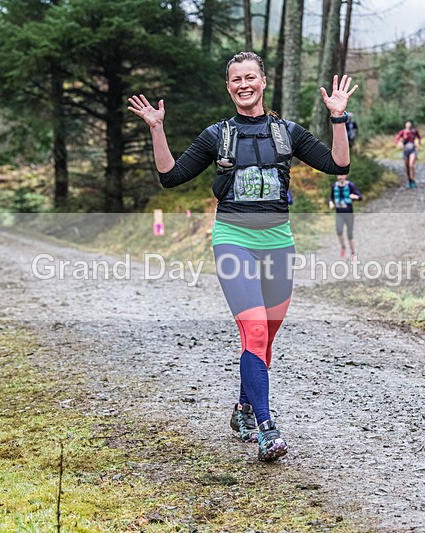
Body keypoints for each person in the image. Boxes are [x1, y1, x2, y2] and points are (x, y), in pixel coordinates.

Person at [128, 51, 357, 462]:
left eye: (250, 77)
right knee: (253, 332)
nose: (244, 84)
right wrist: (156, 129)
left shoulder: (287, 132)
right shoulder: (218, 135)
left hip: (278, 243)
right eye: (236, 79)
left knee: (264, 339)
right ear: (229, 86)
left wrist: (337, 117)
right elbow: (170, 176)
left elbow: (339, 162)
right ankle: (268, 430)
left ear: (263, 81)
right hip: (232, 239)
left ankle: (242, 410)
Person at [329, 174, 361, 259]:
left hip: (348, 213)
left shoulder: (350, 185)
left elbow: (360, 196)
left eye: (342, 175)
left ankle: (352, 252)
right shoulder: (334, 186)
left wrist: (355, 196)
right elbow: (331, 197)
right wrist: (331, 202)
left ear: (345, 176)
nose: (340, 177)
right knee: (339, 231)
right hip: (339, 213)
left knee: (349, 234)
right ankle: (343, 246)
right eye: (338, 176)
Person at [394, 120, 421, 188]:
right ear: (405, 125)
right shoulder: (402, 132)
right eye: (407, 124)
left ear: (411, 125)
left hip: (413, 150)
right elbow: (396, 139)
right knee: (407, 168)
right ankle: (409, 181)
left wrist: (418, 144)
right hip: (405, 151)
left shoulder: (414, 131)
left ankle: (413, 180)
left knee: (411, 165)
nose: (408, 125)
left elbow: (419, 137)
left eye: (410, 124)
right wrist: (399, 143)